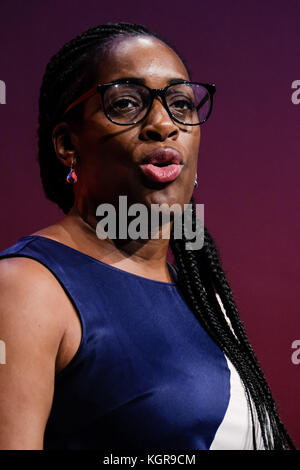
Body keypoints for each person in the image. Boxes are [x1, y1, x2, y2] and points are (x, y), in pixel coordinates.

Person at [0, 22, 295, 451]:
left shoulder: (201, 293)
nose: (163, 124)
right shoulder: (24, 290)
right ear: (67, 144)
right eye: (125, 103)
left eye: (180, 103)